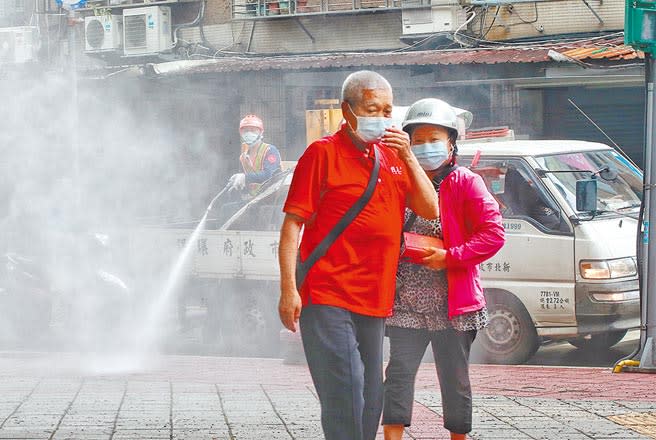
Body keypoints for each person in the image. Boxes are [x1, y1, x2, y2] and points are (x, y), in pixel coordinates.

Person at [277, 70, 439, 440]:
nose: (381, 118)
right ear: (346, 111)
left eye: (387, 110)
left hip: (376, 298)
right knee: (346, 386)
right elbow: (292, 227)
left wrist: (410, 157)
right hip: (327, 291)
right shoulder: (322, 154)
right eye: (371, 109)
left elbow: (430, 210)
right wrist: (289, 288)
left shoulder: (393, 158)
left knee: (371, 396)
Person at [382, 98, 505, 440]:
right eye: (416, 140)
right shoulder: (399, 181)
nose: (425, 147)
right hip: (405, 301)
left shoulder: (465, 181)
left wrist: (450, 256)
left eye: (433, 138)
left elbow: (493, 234)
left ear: (452, 142)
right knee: (398, 374)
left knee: (454, 378)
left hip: (454, 305)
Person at [227, 114, 282, 196]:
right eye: (246, 131)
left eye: (253, 130)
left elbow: (269, 175)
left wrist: (245, 177)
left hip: (272, 198)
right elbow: (244, 184)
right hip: (254, 199)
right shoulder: (243, 158)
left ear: (261, 132)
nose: (249, 133)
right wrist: (238, 183)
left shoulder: (270, 151)